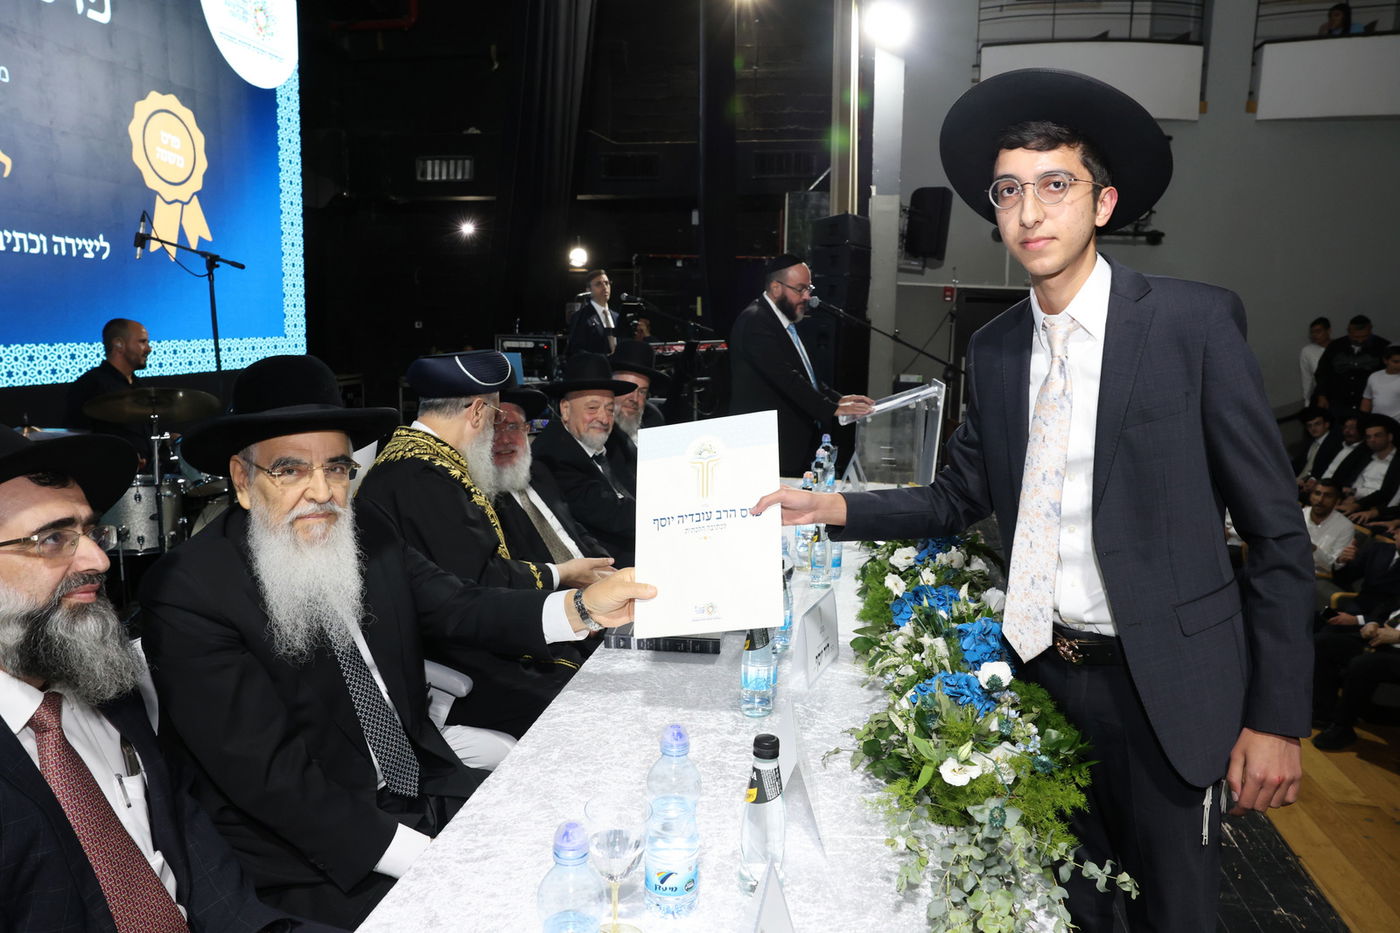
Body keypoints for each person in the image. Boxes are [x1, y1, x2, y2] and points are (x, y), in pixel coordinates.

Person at [753, 69, 1312, 930]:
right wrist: (834, 509)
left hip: (1166, 685)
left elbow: (1277, 533)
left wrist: (1275, 718)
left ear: (1104, 203)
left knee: (1175, 912)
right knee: (1071, 907)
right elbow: (957, 497)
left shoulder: (1192, 325)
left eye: (1056, 185)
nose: (1029, 211)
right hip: (1044, 680)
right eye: (1009, 190)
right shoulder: (998, 347)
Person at [138, 355, 654, 928]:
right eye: (289, 471)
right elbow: (271, 782)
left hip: (423, 789)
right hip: (314, 854)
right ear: (242, 479)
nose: (320, 492)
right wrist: (432, 859)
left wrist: (583, 608)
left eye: (336, 469)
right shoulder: (189, 590)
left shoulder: (367, 531)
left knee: (591, 842)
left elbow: (458, 604)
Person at [0, 427, 317, 933]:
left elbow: (211, 890)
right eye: (52, 539)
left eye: (91, 531)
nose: (99, 560)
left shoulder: (107, 683)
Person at [356, 350, 614, 741]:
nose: (496, 433)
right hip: (460, 658)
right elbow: (476, 585)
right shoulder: (425, 476)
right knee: (590, 707)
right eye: (495, 417)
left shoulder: (419, 464)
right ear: (477, 412)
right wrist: (563, 579)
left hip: (470, 635)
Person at [728, 254, 875, 476]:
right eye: (800, 289)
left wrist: (839, 399)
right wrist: (831, 408)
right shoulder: (755, 321)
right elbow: (786, 378)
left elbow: (807, 377)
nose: (807, 296)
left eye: (809, 288)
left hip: (792, 446)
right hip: (767, 448)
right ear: (776, 288)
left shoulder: (785, 322)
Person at [531, 353, 640, 567]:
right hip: (608, 565)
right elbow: (609, 514)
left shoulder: (615, 440)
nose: (604, 418)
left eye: (610, 409)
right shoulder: (551, 455)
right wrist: (665, 512)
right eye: (592, 408)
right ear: (565, 409)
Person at [490, 386, 611, 566]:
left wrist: (604, 562)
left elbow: (574, 529)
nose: (505, 439)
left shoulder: (540, 471)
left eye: (513, 427)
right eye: (494, 428)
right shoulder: (482, 498)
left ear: (526, 429)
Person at [1313, 536, 1400, 749]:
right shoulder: (1380, 550)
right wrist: (1372, 623)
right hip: (1379, 630)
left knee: (1363, 664)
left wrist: (1397, 637)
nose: (1395, 534)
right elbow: (1390, 607)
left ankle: (1342, 727)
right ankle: (1323, 712)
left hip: (1395, 647)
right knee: (1324, 641)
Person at [64, 317, 155, 456]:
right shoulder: (90, 384)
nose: (149, 349)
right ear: (119, 344)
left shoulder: (139, 386)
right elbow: (77, 438)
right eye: (142, 342)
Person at [1315, 314, 1388, 412]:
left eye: (1364, 336)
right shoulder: (1335, 346)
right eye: (1355, 337)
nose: (1360, 340)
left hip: (1370, 400)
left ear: (1370, 331)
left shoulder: (1383, 346)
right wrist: (1322, 395)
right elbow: (1323, 372)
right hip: (1339, 400)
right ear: (1349, 332)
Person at [1332, 414, 1400, 519]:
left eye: (1377, 435)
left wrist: (1356, 499)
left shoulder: (1397, 462)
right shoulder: (1365, 457)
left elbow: (1386, 493)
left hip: (1377, 509)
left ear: (1390, 437)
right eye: (1368, 437)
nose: (1372, 440)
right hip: (1353, 502)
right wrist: (1348, 496)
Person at [566, 269, 619, 357]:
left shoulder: (617, 317)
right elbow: (576, 350)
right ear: (588, 290)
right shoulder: (581, 316)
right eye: (599, 284)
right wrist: (602, 358)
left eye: (607, 283)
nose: (605, 287)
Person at [1360, 345, 1400, 419]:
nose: (1399, 365)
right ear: (1385, 360)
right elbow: (1367, 399)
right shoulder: (1374, 376)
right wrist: (1363, 418)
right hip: (1377, 421)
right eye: (1396, 362)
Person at [1299, 316, 1330, 404]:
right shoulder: (1307, 351)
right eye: (1312, 332)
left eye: (1318, 331)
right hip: (1320, 396)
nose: (1315, 335)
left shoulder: (1338, 347)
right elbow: (1307, 378)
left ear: (1328, 331)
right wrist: (1307, 400)